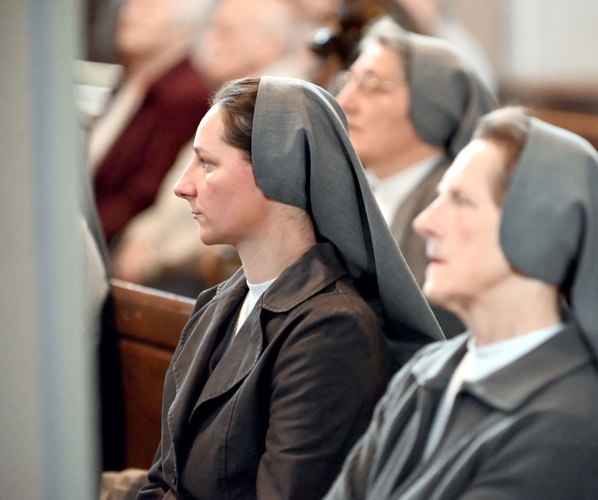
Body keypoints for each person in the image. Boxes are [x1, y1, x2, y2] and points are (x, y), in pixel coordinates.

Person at [325, 107, 598, 499]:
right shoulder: (427, 370)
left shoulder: (569, 421)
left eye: (459, 201)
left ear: (536, 230)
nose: (425, 221)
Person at [136, 76, 444, 499]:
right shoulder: (219, 302)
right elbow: (163, 478)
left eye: (207, 163)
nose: (182, 185)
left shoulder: (331, 331)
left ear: (275, 170)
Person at [110, 0, 313, 296]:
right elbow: (181, 184)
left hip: (207, 271)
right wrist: (144, 237)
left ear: (269, 44)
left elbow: (239, 207)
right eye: (212, 28)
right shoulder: (231, 97)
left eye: (226, 31)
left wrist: (154, 255)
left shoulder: (276, 109)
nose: (209, 41)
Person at [335, 16, 497, 336]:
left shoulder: (452, 206)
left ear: (431, 106)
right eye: (349, 81)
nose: (344, 103)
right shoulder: (360, 188)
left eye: (371, 85)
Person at [88, 0, 214, 244]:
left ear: (185, 29)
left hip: (117, 241)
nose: (132, 12)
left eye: (150, 5)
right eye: (132, 3)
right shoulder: (134, 77)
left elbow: (143, 195)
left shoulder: (185, 96)